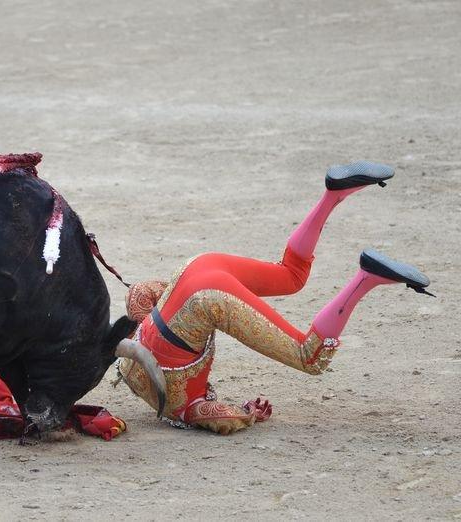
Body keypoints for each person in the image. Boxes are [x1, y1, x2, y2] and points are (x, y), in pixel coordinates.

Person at [116, 162, 433, 435]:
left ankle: (367, 278)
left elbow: (222, 417)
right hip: (196, 268)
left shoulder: (183, 407)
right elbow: (139, 293)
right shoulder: (131, 364)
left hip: (209, 296)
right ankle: (332, 194)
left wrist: (248, 413)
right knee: (290, 275)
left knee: (310, 356)